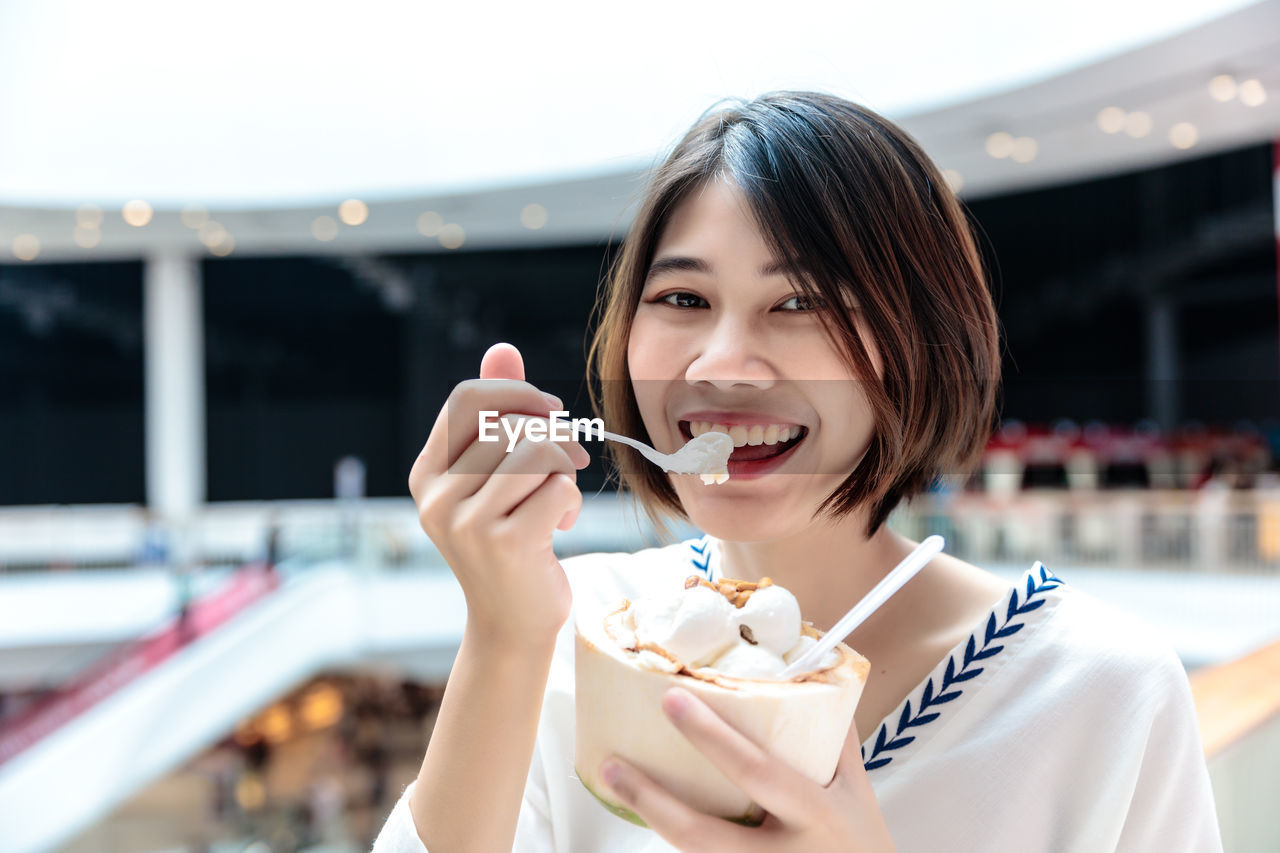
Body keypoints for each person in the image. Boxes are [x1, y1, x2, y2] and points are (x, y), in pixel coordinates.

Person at [374, 92, 1222, 851]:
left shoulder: (1099, 691)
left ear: (923, 346)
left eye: (800, 304)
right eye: (683, 299)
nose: (724, 365)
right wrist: (504, 636)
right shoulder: (579, 631)